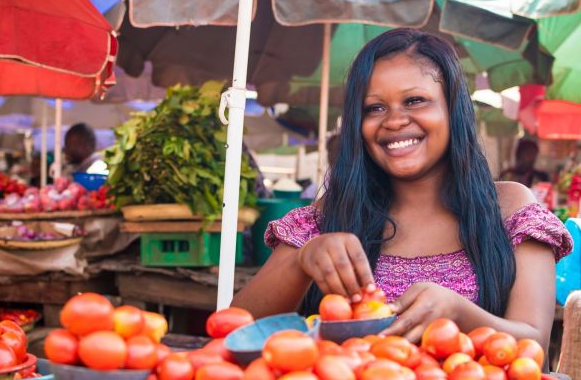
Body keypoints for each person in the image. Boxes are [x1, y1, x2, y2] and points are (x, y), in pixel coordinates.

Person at [232, 28, 572, 350]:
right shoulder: (330, 214)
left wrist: (459, 313)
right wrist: (301, 262)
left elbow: (535, 347)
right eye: (374, 108)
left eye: (414, 101)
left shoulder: (510, 210)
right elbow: (235, 330)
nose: (394, 120)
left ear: (453, 110)